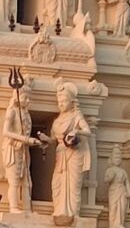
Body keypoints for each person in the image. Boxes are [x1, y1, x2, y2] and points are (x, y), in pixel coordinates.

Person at [38, 82, 91, 224]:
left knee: (73, 184)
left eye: (64, 101)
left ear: (71, 101)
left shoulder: (76, 116)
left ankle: (73, 213)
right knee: (57, 183)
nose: (61, 104)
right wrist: (45, 139)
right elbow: (53, 140)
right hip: (61, 153)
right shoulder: (57, 121)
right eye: (59, 101)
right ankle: (60, 210)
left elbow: (88, 131)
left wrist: (76, 131)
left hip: (74, 153)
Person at [2, 85, 42, 213]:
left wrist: (32, 141)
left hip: (24, 150)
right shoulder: (12, 111)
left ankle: (27, 208)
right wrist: (26, 139)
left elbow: (26, 134)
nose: (28, 101)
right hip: (13, 149)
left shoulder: (26, 113)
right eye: (25, 98)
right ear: (17, 97)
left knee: (26, 180)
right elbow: (5, 132)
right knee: (14, 181)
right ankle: (13, 207)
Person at [104, 146, 130, 228]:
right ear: (111, 159)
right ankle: (113, 224)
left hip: (122, 191)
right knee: (113, 207)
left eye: (119, 158)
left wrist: (129, 192)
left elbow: (127, 182)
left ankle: (120, 223)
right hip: (113, 190)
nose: (117, 159)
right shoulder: (110, 170)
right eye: (115, 157)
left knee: (122, 208)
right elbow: (105, 180)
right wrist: (111, 177)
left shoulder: (123, 171)